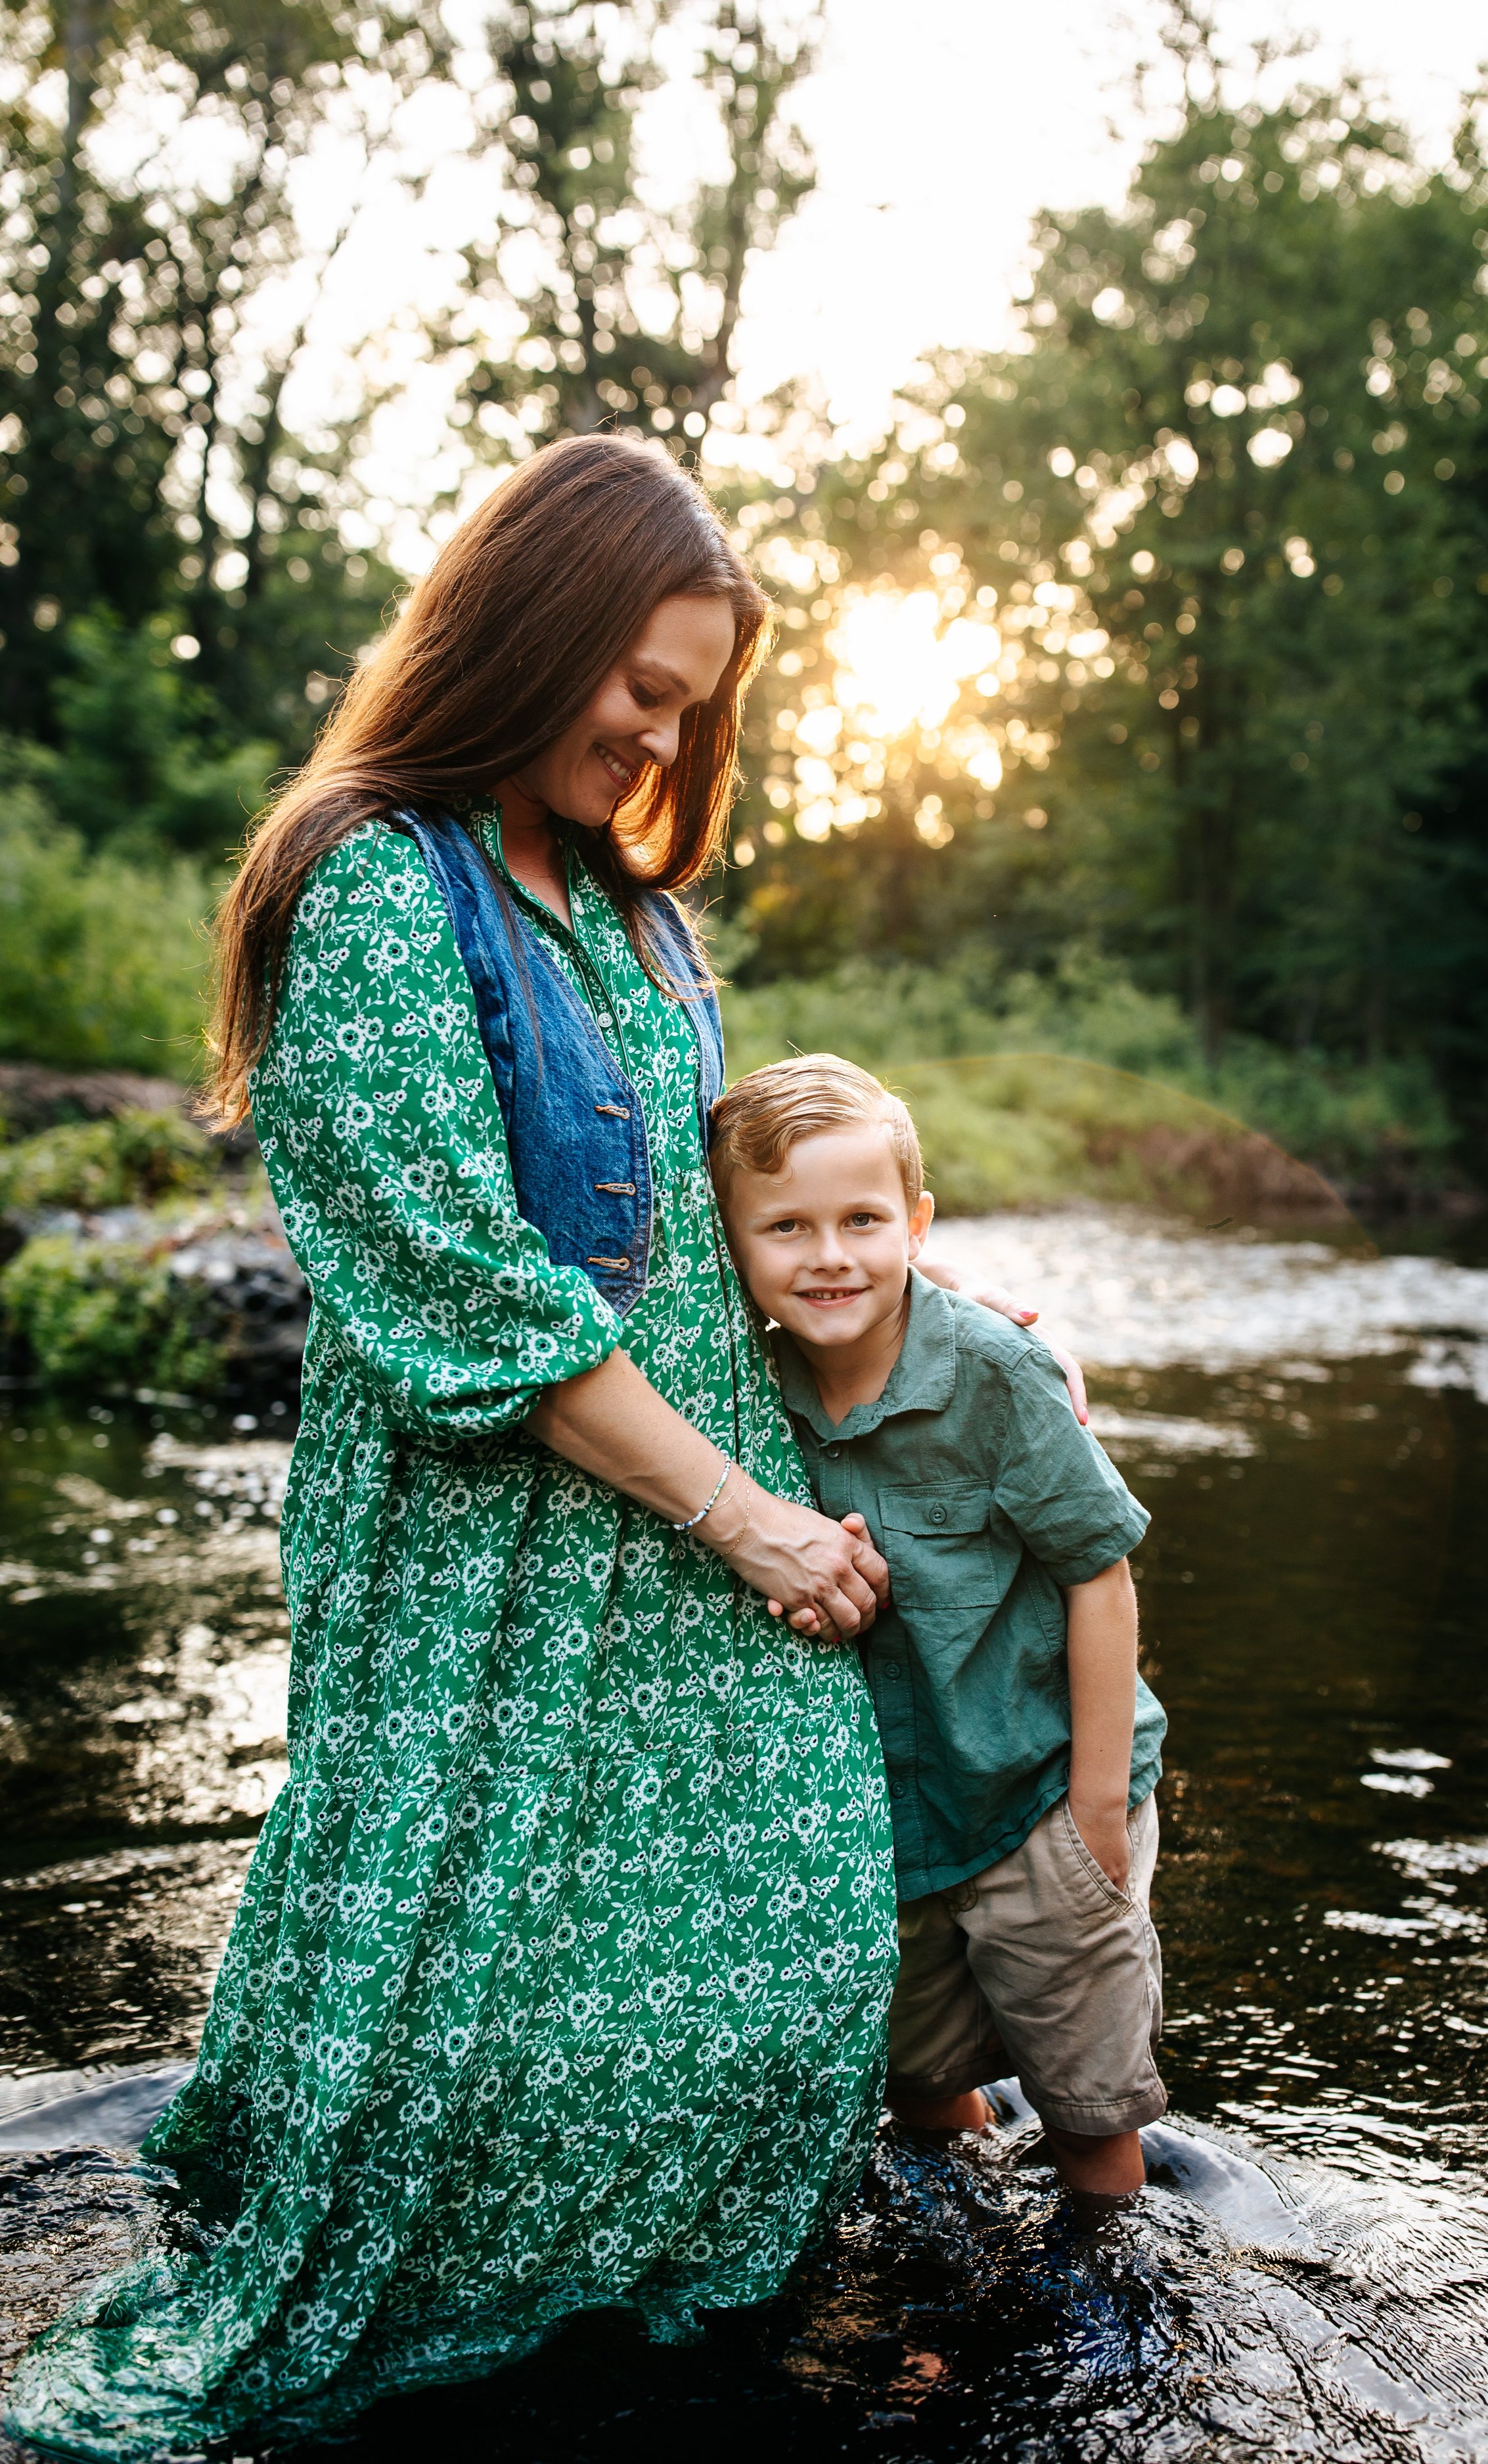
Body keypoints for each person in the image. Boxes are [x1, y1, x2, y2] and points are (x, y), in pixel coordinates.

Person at [5, 438, 908, 2459]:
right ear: (536, 629)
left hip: (683, 1496)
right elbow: (466, 1289)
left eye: (690, 704)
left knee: (803, 1903)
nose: (659, 736)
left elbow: (720, 1202)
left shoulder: (619, 899)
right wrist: (748, 1512)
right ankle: (445, 2281)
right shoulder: (373, 882)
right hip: (500, 1527)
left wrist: (916, 1315)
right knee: (465, 1959)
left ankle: (647, 2290)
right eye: (640, 689)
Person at [711, 1055, 1169, 2222]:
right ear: (734, 1247)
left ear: (915, 1222)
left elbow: (1099, 1576)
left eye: (864, 1219)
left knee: (1088, 2114)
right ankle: (951, 2265)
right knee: (921, 2087)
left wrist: (1101, 1810)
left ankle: (1097, 2307)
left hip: (1039, 1796)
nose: (829, 1255)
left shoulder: (996, 1370)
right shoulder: (742, 1383)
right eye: (787, 1227)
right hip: (893, 1825)